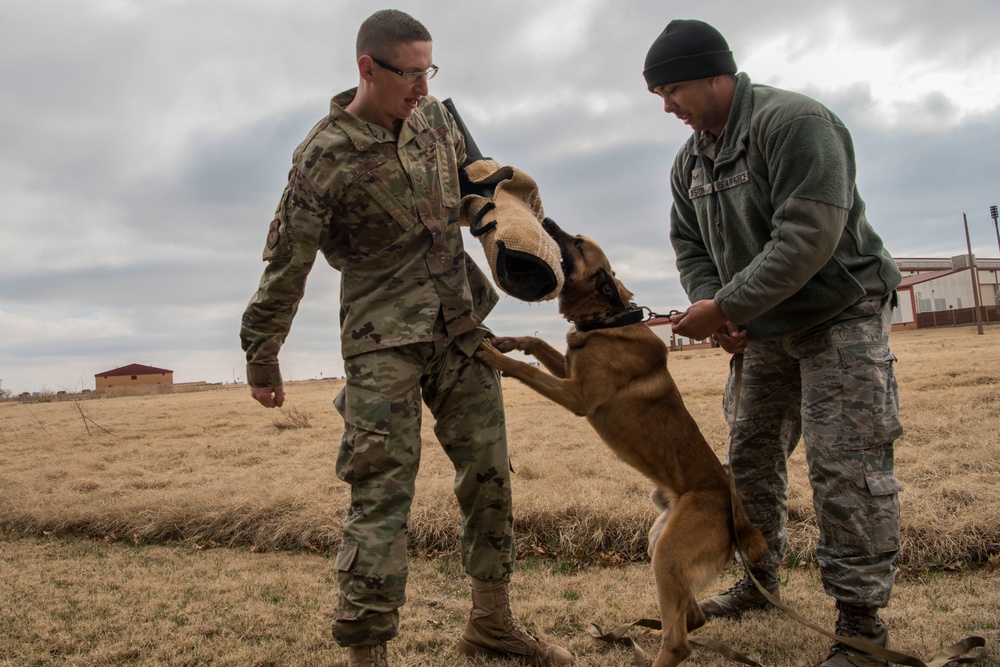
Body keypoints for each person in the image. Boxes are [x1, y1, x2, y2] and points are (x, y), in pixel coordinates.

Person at [239, 10, 574, 667]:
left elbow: (480, 187)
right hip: (380, 343)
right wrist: (261, 353)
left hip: (459, 328)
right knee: (380, 495)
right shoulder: (322, 154)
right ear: (368, 68)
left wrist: (505, 220)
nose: (424, 86)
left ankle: (493, 624)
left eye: (431, 70)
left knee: (490, 476)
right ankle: (368, 652)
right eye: (411, 73)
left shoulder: (437, 122)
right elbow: (287, 264)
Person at [643, 19, 904, 667]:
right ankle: (759, 585)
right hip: (764, 330)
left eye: (674, 89)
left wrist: (728, 305)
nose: (668, 105)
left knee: (845, 462)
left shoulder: (796, 126)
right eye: (659, 96)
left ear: (716, 73)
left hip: (839, 312)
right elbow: (691, 248)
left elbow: (807, 238)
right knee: (749, 457)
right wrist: (725, 313)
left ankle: (861, 624)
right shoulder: (692, 162)